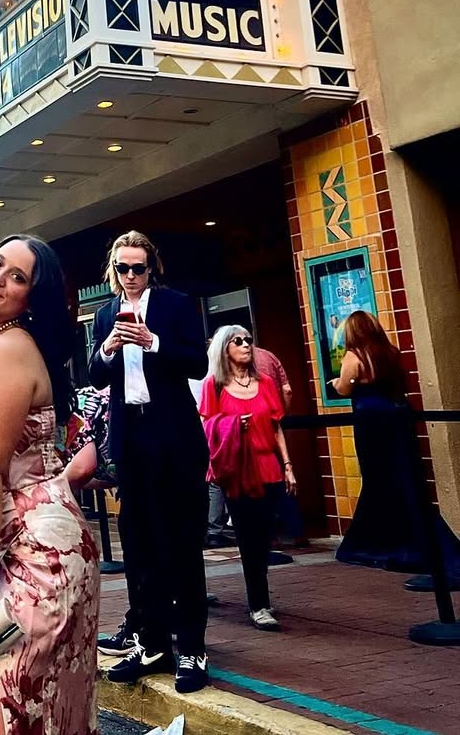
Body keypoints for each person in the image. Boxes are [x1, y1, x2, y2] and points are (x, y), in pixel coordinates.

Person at [0, 235, 100, 735]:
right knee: (35, 713)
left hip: (39, 552)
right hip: (26, 539)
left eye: (17, 277)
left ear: (31, 298)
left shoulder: (8, 349)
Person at [89, 229, 211, 694]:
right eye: (122, 268)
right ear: (113, 270)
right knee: (139, 545)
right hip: (131, 435)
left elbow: (198, 363)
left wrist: (152, 340)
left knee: (182, 543)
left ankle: (193, 647)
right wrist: (108, 348)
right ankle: (152, 642)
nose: (130, 276)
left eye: (138, 268)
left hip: (174, 434)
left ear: (151, 267)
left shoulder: (175, 305)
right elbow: (96, 375)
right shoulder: (105, 314)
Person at [333, 311, 460, 579]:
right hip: (399, 418)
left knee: (377, 478)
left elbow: (344, 388)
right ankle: (424, 541)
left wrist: (336, 382)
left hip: (371, 422)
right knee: (406, 478)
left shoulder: (354, 356)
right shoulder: (391, 352)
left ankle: (381, 542)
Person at [199, 326, 296, 630]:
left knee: (264, 536)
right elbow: (205, 428)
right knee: (247, 537)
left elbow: (276, 426)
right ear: (224, 349)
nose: (245, 345)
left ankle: (260, 595)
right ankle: (259, 604)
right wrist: (229, 425)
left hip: (268, 466)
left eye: (248, 340)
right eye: (238, 341)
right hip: (237, 470)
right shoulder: (214, 385)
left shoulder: (265, 383)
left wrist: (288, 465)